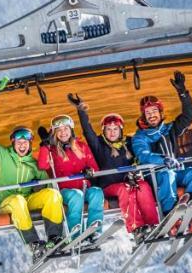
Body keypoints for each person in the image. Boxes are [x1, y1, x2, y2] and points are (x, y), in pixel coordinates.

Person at [0, 100, 66, 261]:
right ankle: (34, 244)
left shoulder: (34, 164)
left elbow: (48, 185)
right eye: (18, 141)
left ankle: (55, 238)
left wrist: (47, 189)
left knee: (52, 194)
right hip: (6, 202)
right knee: (17, 200)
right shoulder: (3, 156)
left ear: (30, 144)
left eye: (25, 142)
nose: (22, 145)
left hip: (26, 201)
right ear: (13, 143)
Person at [67, 92, 159, 235]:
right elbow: (88, 132)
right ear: (103, 131)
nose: (112, 132)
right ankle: (136, 227)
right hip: (108, 186)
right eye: (108, 129)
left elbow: (142, 149)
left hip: (128, 182)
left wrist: (136, 173)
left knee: (143, 185)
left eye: (115, 129)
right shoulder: (99, 145)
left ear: (120, 130)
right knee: (125, 188)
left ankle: (152, 224)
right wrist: (81, 110)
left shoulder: (128, 143)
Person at [131, 70, 192, 234]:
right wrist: (164, 160)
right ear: (144, 116)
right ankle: (170, 214)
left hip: (174, 170)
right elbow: (143, 155)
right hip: (155, 175)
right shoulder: (140, 136)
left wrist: (183, 92)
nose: (152, 116)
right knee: (168, 174)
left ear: (160, 113)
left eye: (154, 112)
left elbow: (189, 115)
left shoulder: (169, 129)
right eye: (148, 113)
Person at [36, 113, 103, 240]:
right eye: (59, 130)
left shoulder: (81, 146)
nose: (63, 133)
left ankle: (94, 230)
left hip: (83, 187)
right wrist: (45, 146)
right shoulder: (52, 150)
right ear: (54, 133)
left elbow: (95, 167)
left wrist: (90, 170)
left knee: (97, 192)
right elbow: (42, 166)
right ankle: (74, 233)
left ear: (71, 130)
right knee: (76, 196)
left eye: (66, 129)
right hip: (65, 191)